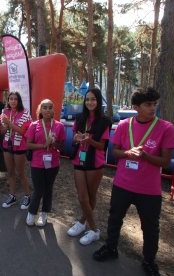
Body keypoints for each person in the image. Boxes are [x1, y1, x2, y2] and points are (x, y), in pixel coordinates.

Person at [93, 88, 174, 276]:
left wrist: (145, 155)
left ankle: (148, 261)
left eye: (155, 104)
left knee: (150, 227)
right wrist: (127, 153)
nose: (152, 108)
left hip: (149, 190)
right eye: (148, 104)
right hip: (122, 184)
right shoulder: (124, 125)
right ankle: (111, 248)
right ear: (136, 107)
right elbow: (114, 153)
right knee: (114, 219)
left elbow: (165, 161)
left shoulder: (165, 128)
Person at [67, 88, 112, 245]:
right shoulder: (79, 118)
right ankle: (94, 229)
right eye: (87, 100)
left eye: (93, 99)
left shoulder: (105, 121)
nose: (90, 102)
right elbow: (73, 140)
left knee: (91, 196)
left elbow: (102, 146)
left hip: (95, 163)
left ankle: (82, 222)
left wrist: (89, 141)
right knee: (82, 197)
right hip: (79, 160)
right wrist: (77, 138)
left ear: (98, 101)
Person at [25, 99, 65, 227]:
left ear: (53, 110)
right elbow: (28, 144)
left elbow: (62, 146)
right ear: (40, 110)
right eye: (45, 107)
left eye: (50, 107)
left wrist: (54, 144)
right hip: (37, 163)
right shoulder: (34, 125)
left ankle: (44, 214)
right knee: (38, 189)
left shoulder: (59, 126)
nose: (47, 110)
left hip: (53, 163)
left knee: (48, 188)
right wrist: (43, 145)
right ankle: (32, 212)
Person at [0, 92, 32, 209]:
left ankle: (27, 196)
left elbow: (23, 132)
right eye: (11, 99)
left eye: (15, 99)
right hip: (7, 146)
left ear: (19, 101)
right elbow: (2, 132)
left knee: (21, 173)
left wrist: (9, 123)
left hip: (20, 147)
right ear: (8, 100)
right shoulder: (4, 112)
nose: (13, 101)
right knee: (11, 172)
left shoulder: (26, 114)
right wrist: (6, 125)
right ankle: (12, 196)